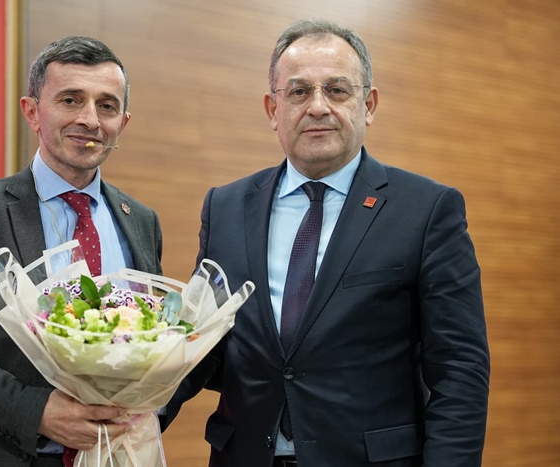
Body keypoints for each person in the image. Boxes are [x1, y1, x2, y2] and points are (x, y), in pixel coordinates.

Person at [163, 19, 490, 467]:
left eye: (337, 90)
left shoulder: (427, 209)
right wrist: (135, 406)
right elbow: (203, 341)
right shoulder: (226, 206)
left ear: (368, 104)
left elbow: (460, 369)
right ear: (272, 109)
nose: (317, 107)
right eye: (298, 92)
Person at [0, 36, 163, 466]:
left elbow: (154, 340)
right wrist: (38, 412)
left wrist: (145, 408)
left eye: (106, 106)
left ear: (123, 122)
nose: (90, 119)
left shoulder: (141, 220)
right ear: (32, 112)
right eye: (70, 100)